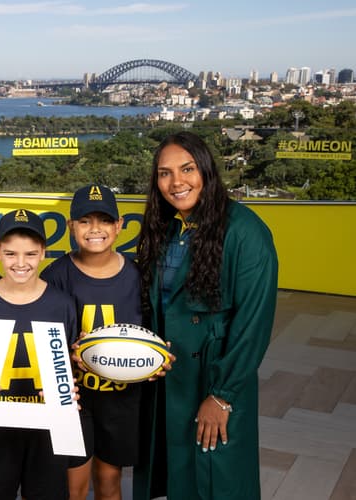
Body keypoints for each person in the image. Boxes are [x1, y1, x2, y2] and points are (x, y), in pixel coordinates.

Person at [132, 131, 278, 500]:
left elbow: (252, 324)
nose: (176, 182)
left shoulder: (246, 231)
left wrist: (222, 396)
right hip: (167, 375)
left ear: (207, 171)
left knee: (217, 478)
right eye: (164, 173)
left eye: (187, 169)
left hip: (212, 377)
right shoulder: (165, 228)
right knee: (175, 472)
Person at [0, 209, 78, 500]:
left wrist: (70, 391)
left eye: (30, 254)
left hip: (49, 428)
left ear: (43, 253)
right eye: (11, 254)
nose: (21, 263)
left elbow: (69, 368)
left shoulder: (62, 304)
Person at [41, 184, 142, 500]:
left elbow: (152, 337)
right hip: (74, 398)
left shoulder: (138, 276)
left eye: (104, 220)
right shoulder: (56, 275)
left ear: (119, 225)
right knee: (74, 485)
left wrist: (156, 360)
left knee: (109, 480)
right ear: (70, 226)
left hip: (121, 398)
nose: (95, 229)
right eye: (84, 221)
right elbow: (44, 340)